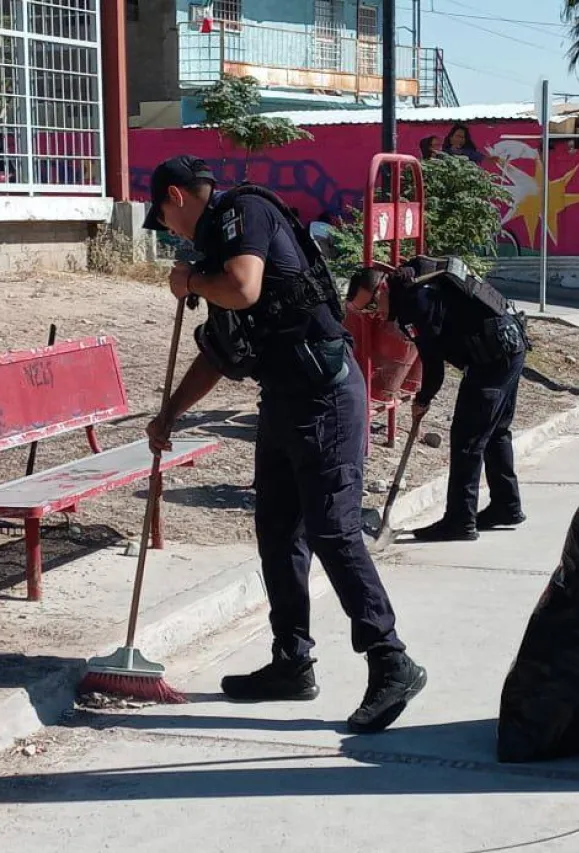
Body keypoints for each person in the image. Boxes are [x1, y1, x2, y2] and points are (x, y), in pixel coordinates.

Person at [141, 155, 427, 734]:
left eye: (164, 219)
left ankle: (391, 660)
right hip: (284, 400)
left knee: (332, 529)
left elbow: (243, 291)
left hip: (324, 394)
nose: (169, 232)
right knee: (276, 530)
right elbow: (220, 351)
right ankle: (291, 662)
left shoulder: (242, 214)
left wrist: (189, 281)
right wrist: (169, 414)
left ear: (176, 196)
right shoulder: (218, 251)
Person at [348, 257, 530, 542]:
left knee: (466, 440)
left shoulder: (415, 301)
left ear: (382, 288)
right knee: (495, 432)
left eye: (372, 306)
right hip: (509, 345)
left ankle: (460, 521)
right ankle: (507, 506)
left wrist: (423, 400)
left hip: (492, 358)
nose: (375, 316)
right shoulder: (416, 280)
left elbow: (434, 366)